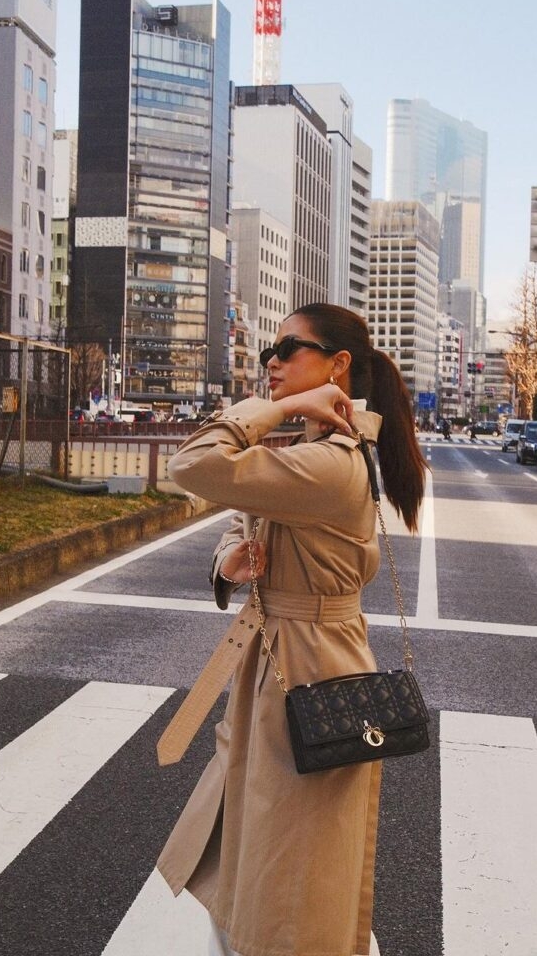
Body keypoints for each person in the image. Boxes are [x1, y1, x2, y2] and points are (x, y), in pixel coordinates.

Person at [156, 303, 428, 956]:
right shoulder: (308, 454)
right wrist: (230, 560)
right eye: (268, 351)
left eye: (288, 348)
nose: (271, 361)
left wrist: (265, 410)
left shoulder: (330, 464)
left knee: (295, 884)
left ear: (337, 366)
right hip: (274, 670)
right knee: (263, 874)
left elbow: (192, 465)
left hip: (308, 679)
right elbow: (241, 514)